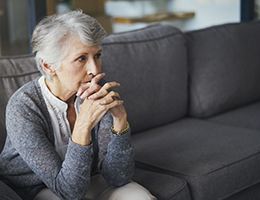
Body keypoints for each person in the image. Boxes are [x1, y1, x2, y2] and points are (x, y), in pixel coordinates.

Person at [0, 10, 157, 200]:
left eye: (97, 55)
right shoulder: (23, 107)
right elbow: (69, 192)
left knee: (140, 197)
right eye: (81, 58)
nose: (95, 69)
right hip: (37, 188)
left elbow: (119, 177)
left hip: (88, 178)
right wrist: (83, 124)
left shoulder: (98, 93)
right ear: (49, 66)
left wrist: (120, 121)